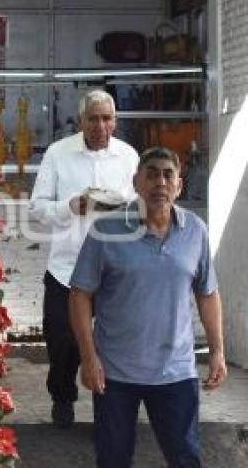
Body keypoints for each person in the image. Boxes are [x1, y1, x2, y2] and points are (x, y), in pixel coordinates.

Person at [69, 147, 227, 468]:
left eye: (168, 175)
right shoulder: (106, 230)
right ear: (136, 182)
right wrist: (88, 357)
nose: (160, 182)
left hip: (176, 372)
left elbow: (208, 294)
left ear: (179, 185)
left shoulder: (195, 231)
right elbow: (80, 294)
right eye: (152, 174)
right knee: (113, 459)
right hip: (114, 374)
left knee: (185, 458)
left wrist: (217, 351)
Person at [29, 89, 139, 427]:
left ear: (115, 122)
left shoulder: (128, 156)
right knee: (63, 341)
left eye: (107, 119)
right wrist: (70, 207)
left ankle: (110, 409)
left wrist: (123, 210)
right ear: (81, 121)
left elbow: (139, 206)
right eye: (93, 119)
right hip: (68, 268)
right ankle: (62, 399)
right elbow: (36, 209)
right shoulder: (58, 154)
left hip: (114, 268)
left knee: (114, 343)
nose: (100, 126)